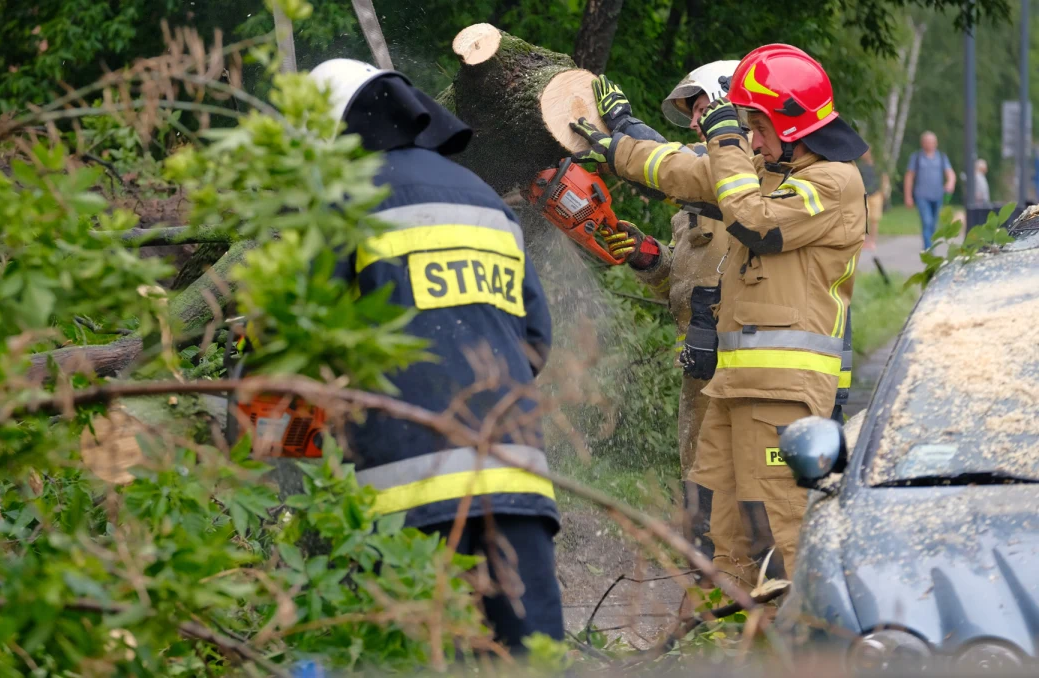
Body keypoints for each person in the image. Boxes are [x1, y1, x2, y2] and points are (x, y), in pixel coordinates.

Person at [569, 44, 866, 582]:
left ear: (791, 122)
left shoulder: (833, 183)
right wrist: (616, 150)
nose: (750, 138)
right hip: (733, 382)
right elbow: (684, 168)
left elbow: (753, 222)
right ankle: (725, 629)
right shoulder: (765, 168)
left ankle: (804, 643)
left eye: (757, 124)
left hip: (782, 387)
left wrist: (727, 139)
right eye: (746, 127)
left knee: (781, 525)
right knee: (719, 529)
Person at [307, 59, 563, 653]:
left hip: (404, 490)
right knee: (531, 660)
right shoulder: (484, 201)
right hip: (513, 479)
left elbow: (304, 341)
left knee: (411, 658)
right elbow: (536, 341)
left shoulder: (341, 204)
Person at [589, 61, 753, 587]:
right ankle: (713, 595)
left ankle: (746, 598)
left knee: (741, 489)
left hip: (742, 363)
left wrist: (625, 131)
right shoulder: (693, 201)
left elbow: (677, 165)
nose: (699, 118)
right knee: (700, 488)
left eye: (705, 104)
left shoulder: (752, 175)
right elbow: (683, 286)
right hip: (700, 365)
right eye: (695, 110)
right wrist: (647, 258)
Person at [904, 131, 956, 249]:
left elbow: (950, 173)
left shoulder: (941, 157)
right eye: (927, 142)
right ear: (922, 143)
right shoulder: (916, 157)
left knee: (933, 224)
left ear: (936, 143)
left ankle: (931, 245)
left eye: (932, 142)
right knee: (927, 222)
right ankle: (928, 249)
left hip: (938, 195)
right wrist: (908, 196)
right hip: (922, 195)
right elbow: (909, 177)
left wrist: (950, 182)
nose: (929, 144)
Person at [858, 150, 883, 251]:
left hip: (876, 193)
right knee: (864, 217)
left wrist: (883, 191)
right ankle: (864, 240)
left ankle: (873, 240)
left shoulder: (877, 166)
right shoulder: (860, 167)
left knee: (874, 219)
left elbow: (883, 178)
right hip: (864, 194)